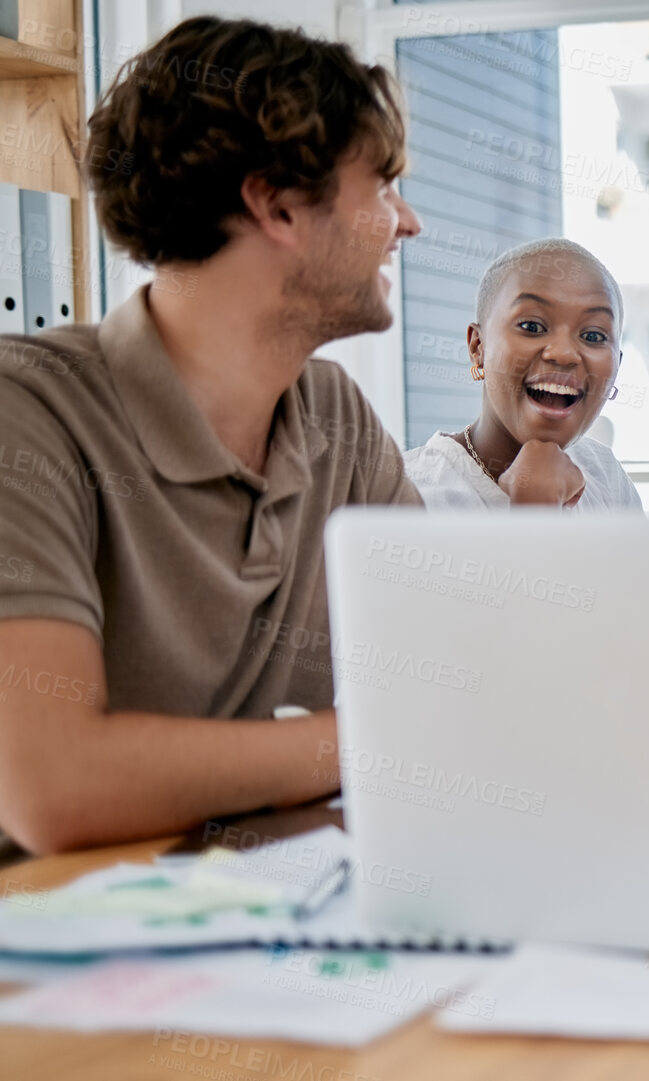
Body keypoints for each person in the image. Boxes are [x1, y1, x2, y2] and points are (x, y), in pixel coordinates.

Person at [0, 17, 422, 854]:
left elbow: (464, 681)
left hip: (264, 928)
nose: (406, 223)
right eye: (381, 187)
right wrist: (378, 742)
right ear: (275, 205)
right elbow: (55, 787)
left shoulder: (338, 420)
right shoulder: (27, 412)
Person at [403, 238, 641, 510]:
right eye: (532, 326)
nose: (563, 354)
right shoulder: (406, 496)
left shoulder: (606, 477)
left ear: (617, 366)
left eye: (592, 335)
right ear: (478, 347)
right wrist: (535, 509)